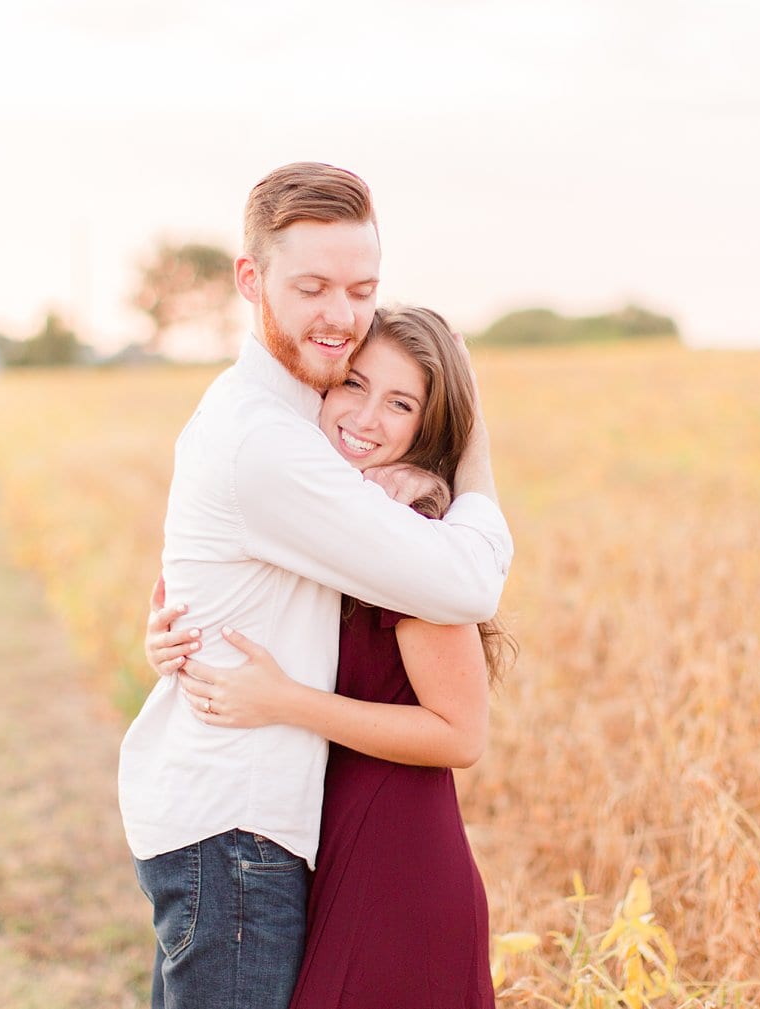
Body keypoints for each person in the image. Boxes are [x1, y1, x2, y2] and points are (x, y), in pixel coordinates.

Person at [117, 163, 512, 1009]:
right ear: (250, 280)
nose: (340, 314)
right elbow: (469, 581)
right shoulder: (270, 439)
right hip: (236, 830)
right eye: (312, 286)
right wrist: (474, 449)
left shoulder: (307, 427)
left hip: (274, 829)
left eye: (361, 288)